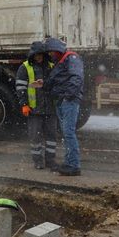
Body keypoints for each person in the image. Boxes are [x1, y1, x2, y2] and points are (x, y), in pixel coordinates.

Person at [43, 37, 84, 176]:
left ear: (56, 49)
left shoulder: (70, 58)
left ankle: (73, 165)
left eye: (51, 52)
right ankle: (69, 162)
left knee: (68, 133)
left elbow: (76, 78)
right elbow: (60, 80)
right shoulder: (62, 61)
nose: (50, 55)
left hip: (68, 101)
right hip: (63, 100)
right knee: (67, 133)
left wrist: (67, 96)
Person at [15, 41, 58, 170]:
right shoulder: (25, 67)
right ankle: (38, 161)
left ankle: (50, 161)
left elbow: (56, 83)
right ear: (32, 55)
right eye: (36, 55)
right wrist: (24, 104)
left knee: (52, 136)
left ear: (44, 54)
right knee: (35, 137)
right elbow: (20, 87)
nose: (38, 57)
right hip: (34, 109)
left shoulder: (51, 66)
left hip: (50, 108)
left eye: (40, 54)